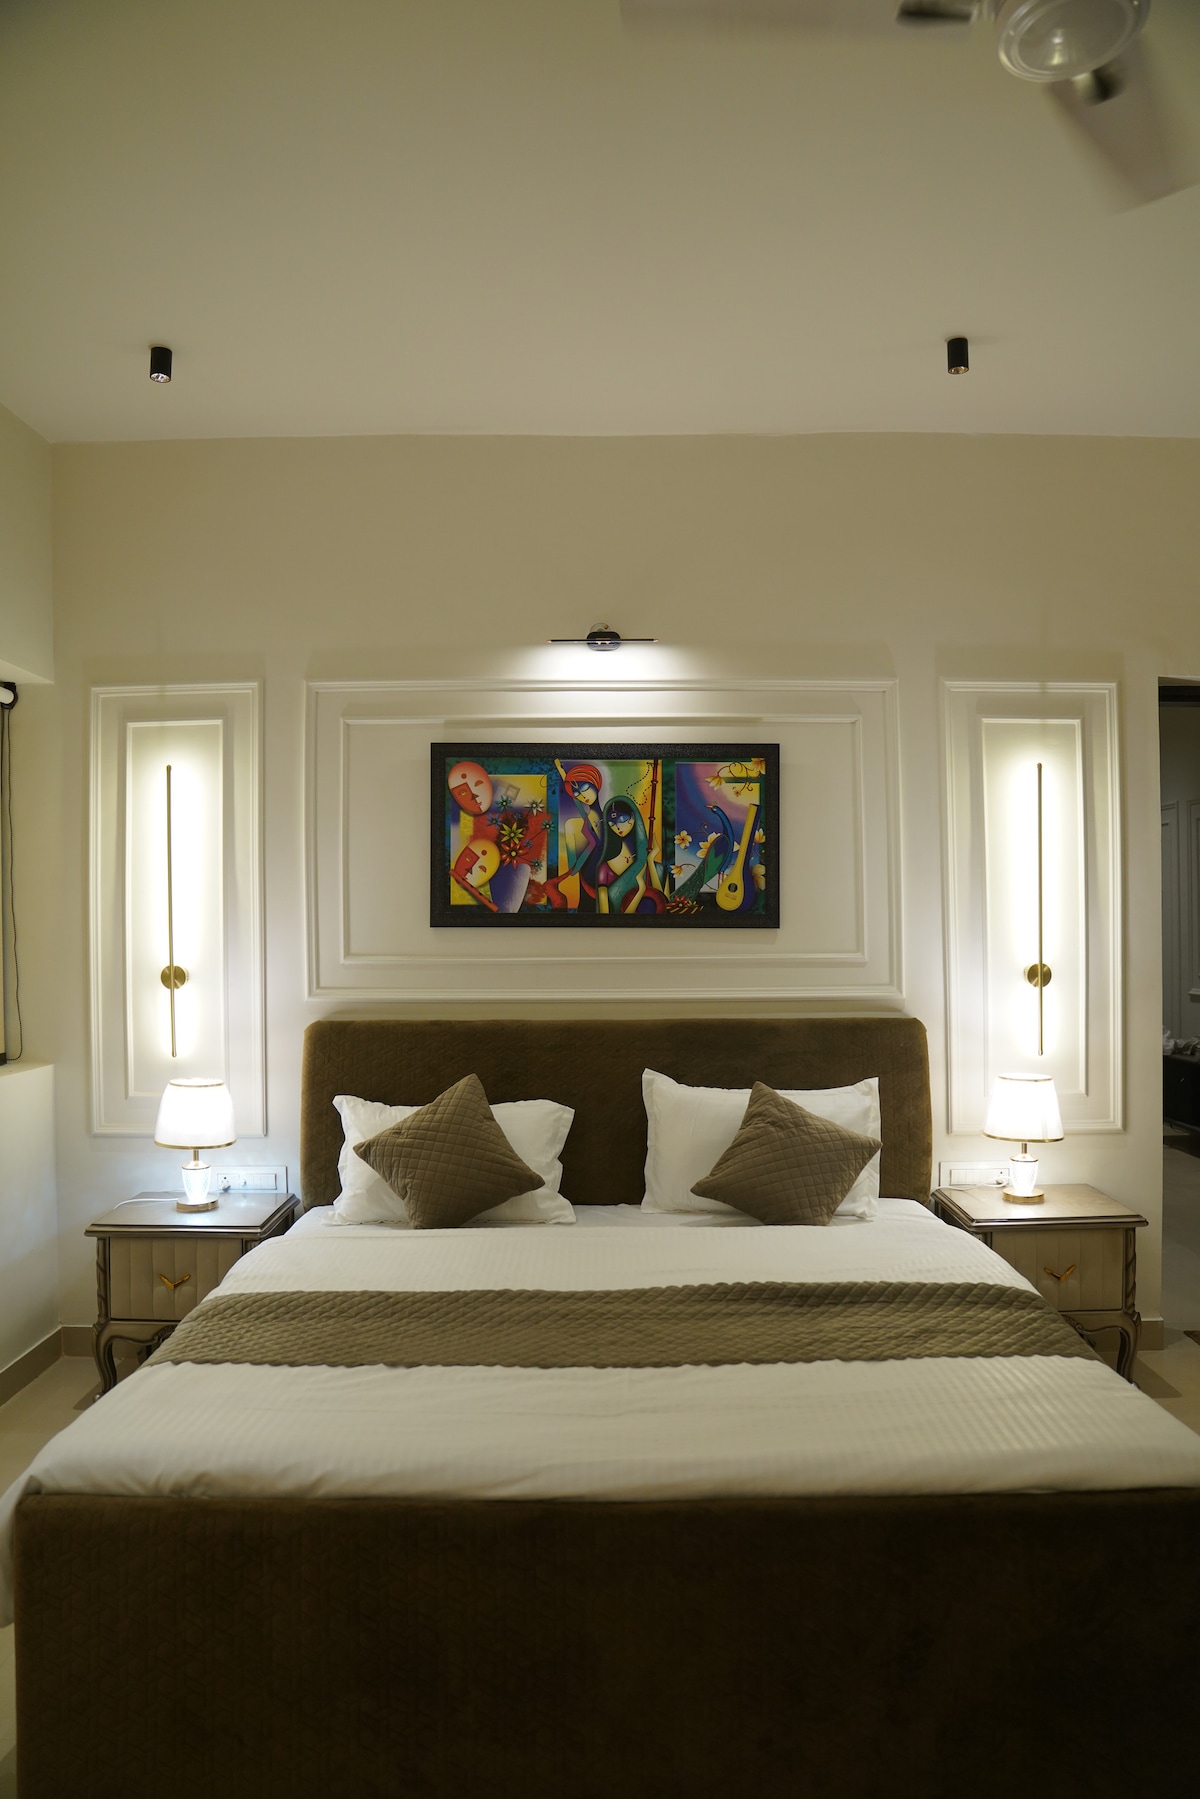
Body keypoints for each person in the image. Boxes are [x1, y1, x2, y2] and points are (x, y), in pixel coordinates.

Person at [595, 796, 650, 915]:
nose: (618, 827)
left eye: (622, 819)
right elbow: (604, 917)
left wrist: (650, 860)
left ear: (633, 817)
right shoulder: (604, 869)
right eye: (612, 823)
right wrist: (640, 890)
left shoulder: (649, 863)